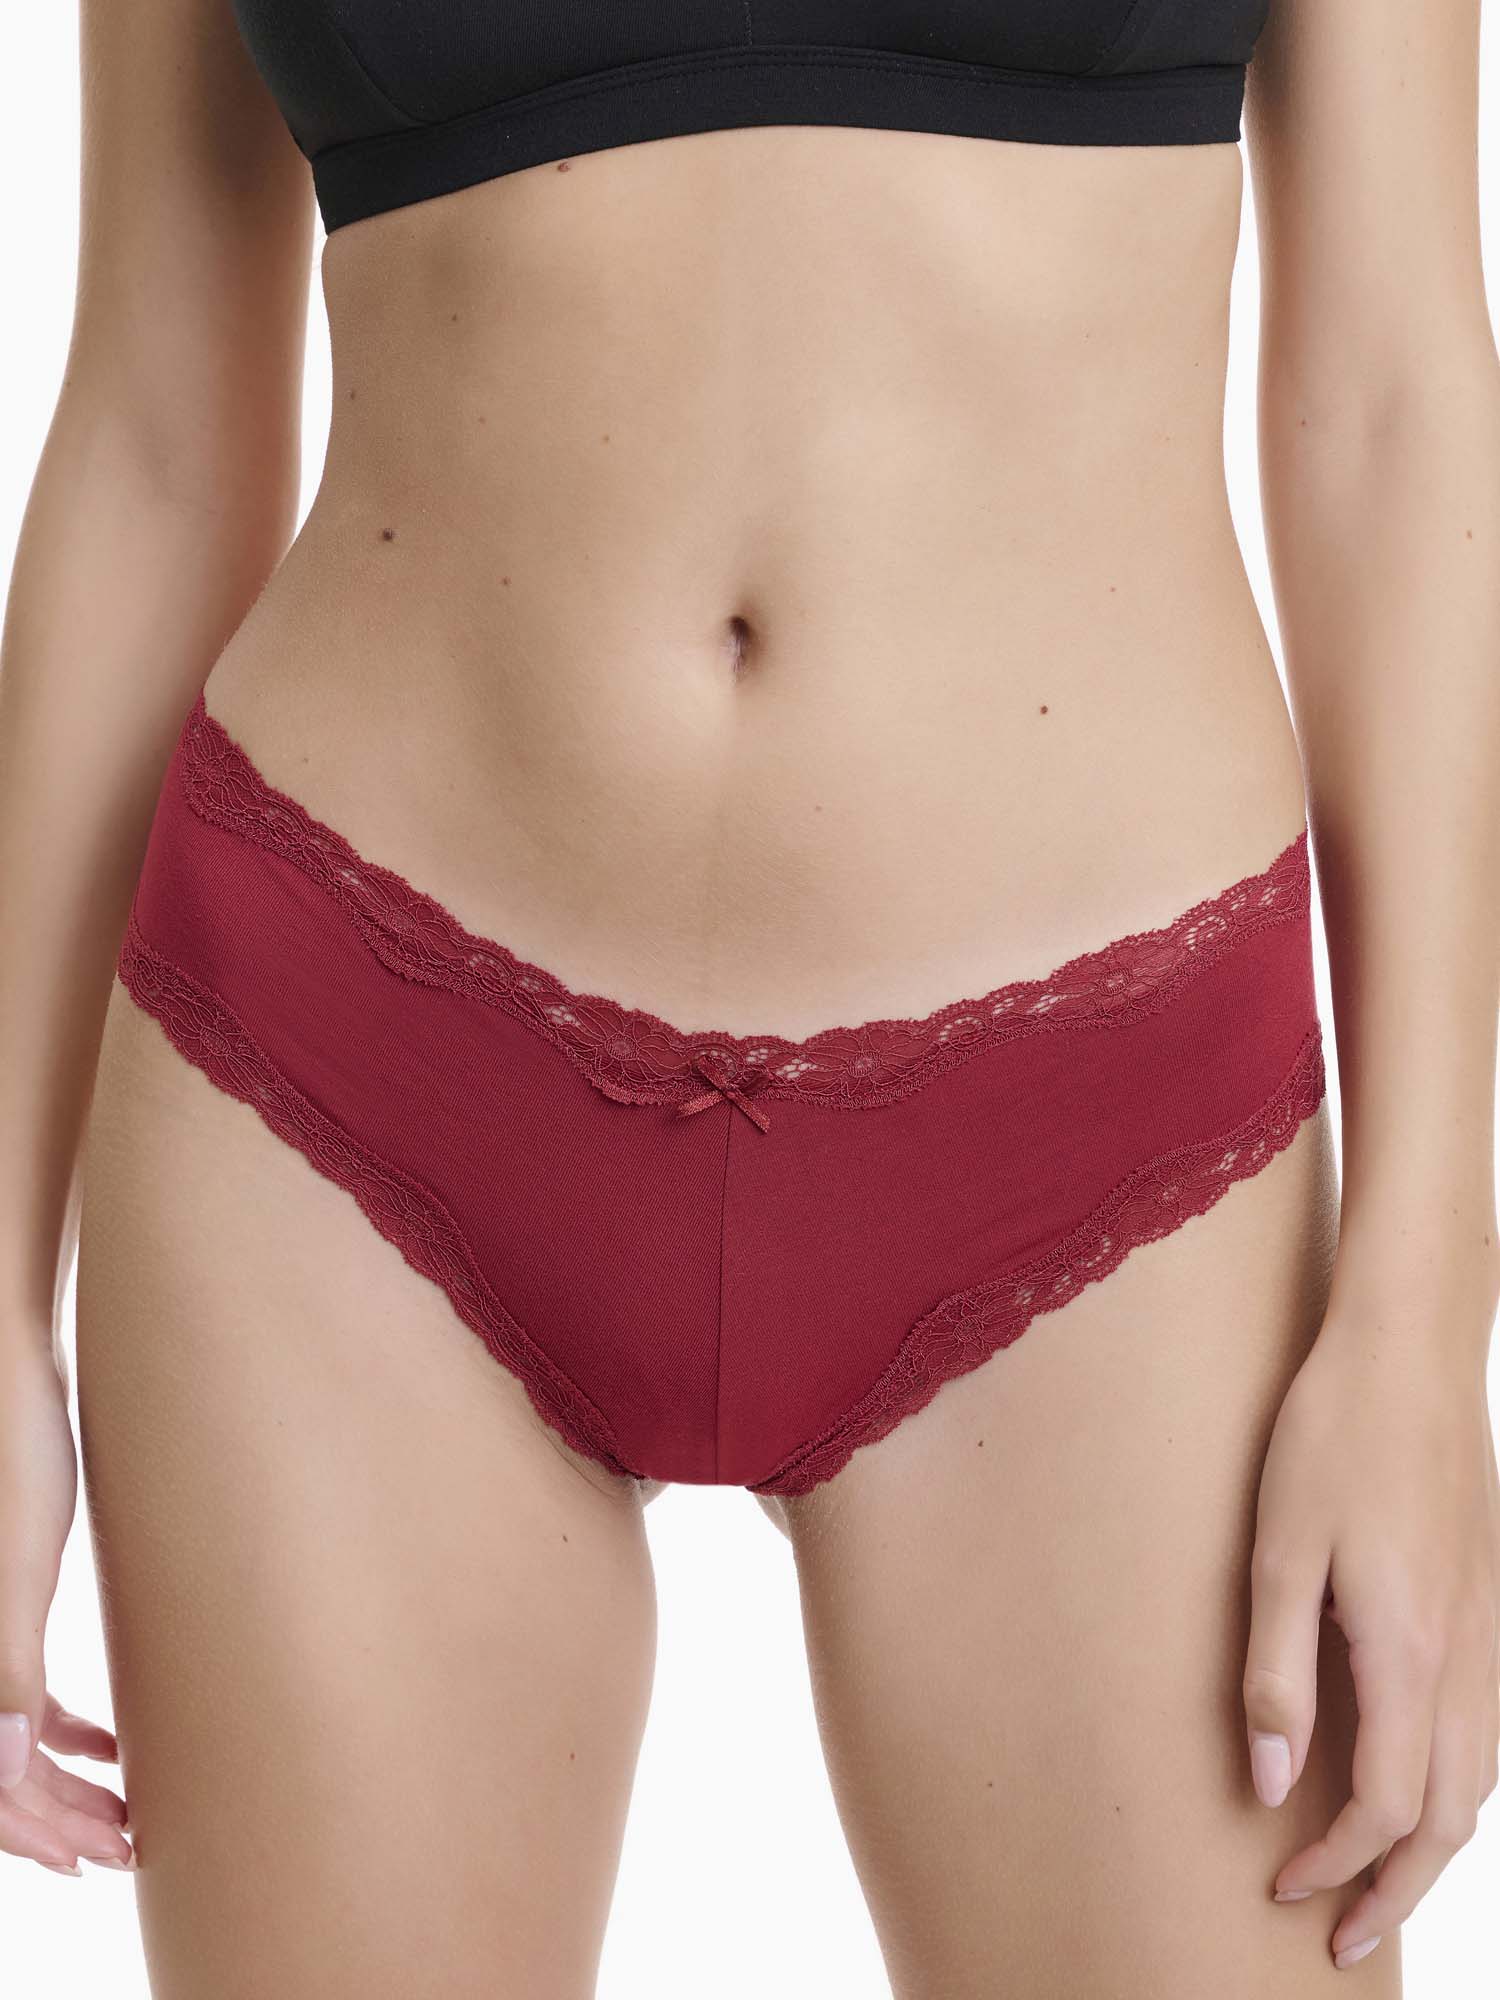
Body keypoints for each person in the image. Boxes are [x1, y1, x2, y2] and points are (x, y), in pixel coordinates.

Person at [1, 1, 1497, 1993]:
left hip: (1107, 1123)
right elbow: (153, 431)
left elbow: (1395, 403)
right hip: (336, 1073)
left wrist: (1424, 1321)